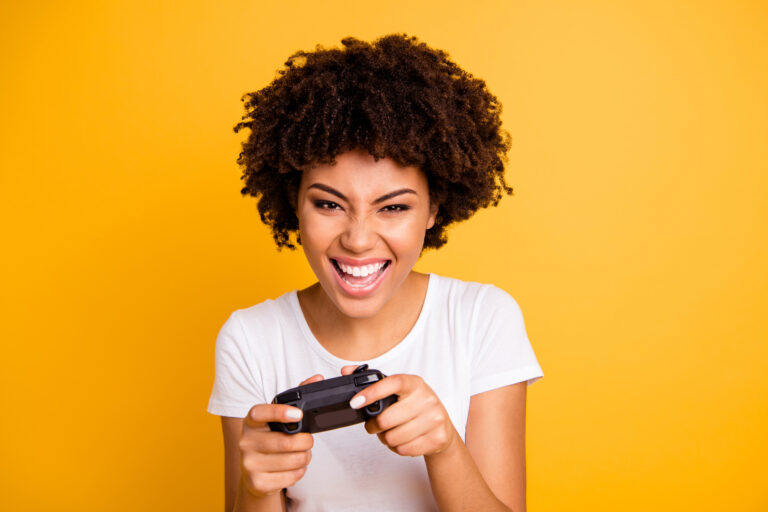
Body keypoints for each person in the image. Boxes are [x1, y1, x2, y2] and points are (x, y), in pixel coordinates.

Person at [207, 33, 544, 512]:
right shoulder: (250, 338)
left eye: (393, 207)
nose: (359, 239)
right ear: (294, 205)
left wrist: (445, 447)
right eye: (328, 204)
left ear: (433, 209)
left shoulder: (482, 319)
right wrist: (259, 488)